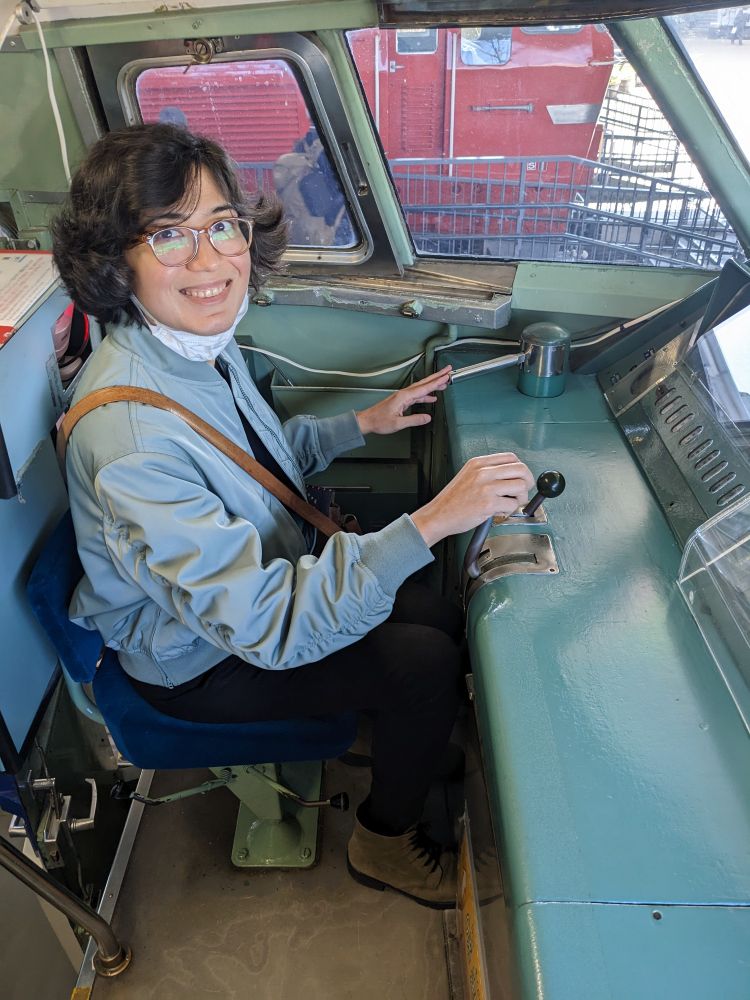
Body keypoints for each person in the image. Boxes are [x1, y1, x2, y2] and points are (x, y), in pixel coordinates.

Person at [51, 123, 534, 909]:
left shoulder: (190, 346)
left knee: (436, 612)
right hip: (198, 658)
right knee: (424, 664)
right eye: (169, 235)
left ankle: (406, 744)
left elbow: (256, 462)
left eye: (220, 226)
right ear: (116, 259)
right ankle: (385, 843)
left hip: (255, 592)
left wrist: (363, 424)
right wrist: (434, 520)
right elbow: (271, 630)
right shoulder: (132, 440)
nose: (210, 262)